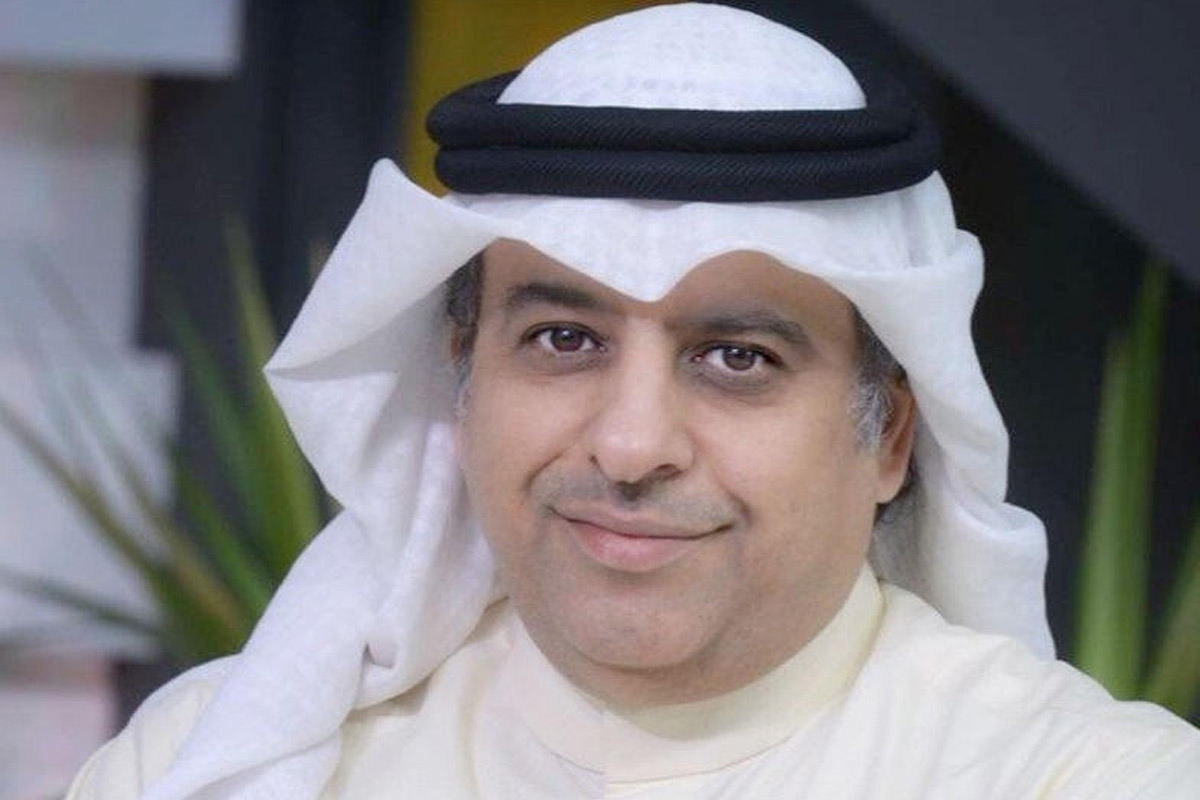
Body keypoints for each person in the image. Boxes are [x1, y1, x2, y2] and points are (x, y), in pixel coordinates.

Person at [69, 4, 1199, 798]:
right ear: (463, 386)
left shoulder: (1084, 779)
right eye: (564, 340)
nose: (629, 443)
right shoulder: (196, 763)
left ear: (889, 435)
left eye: (737, 357)